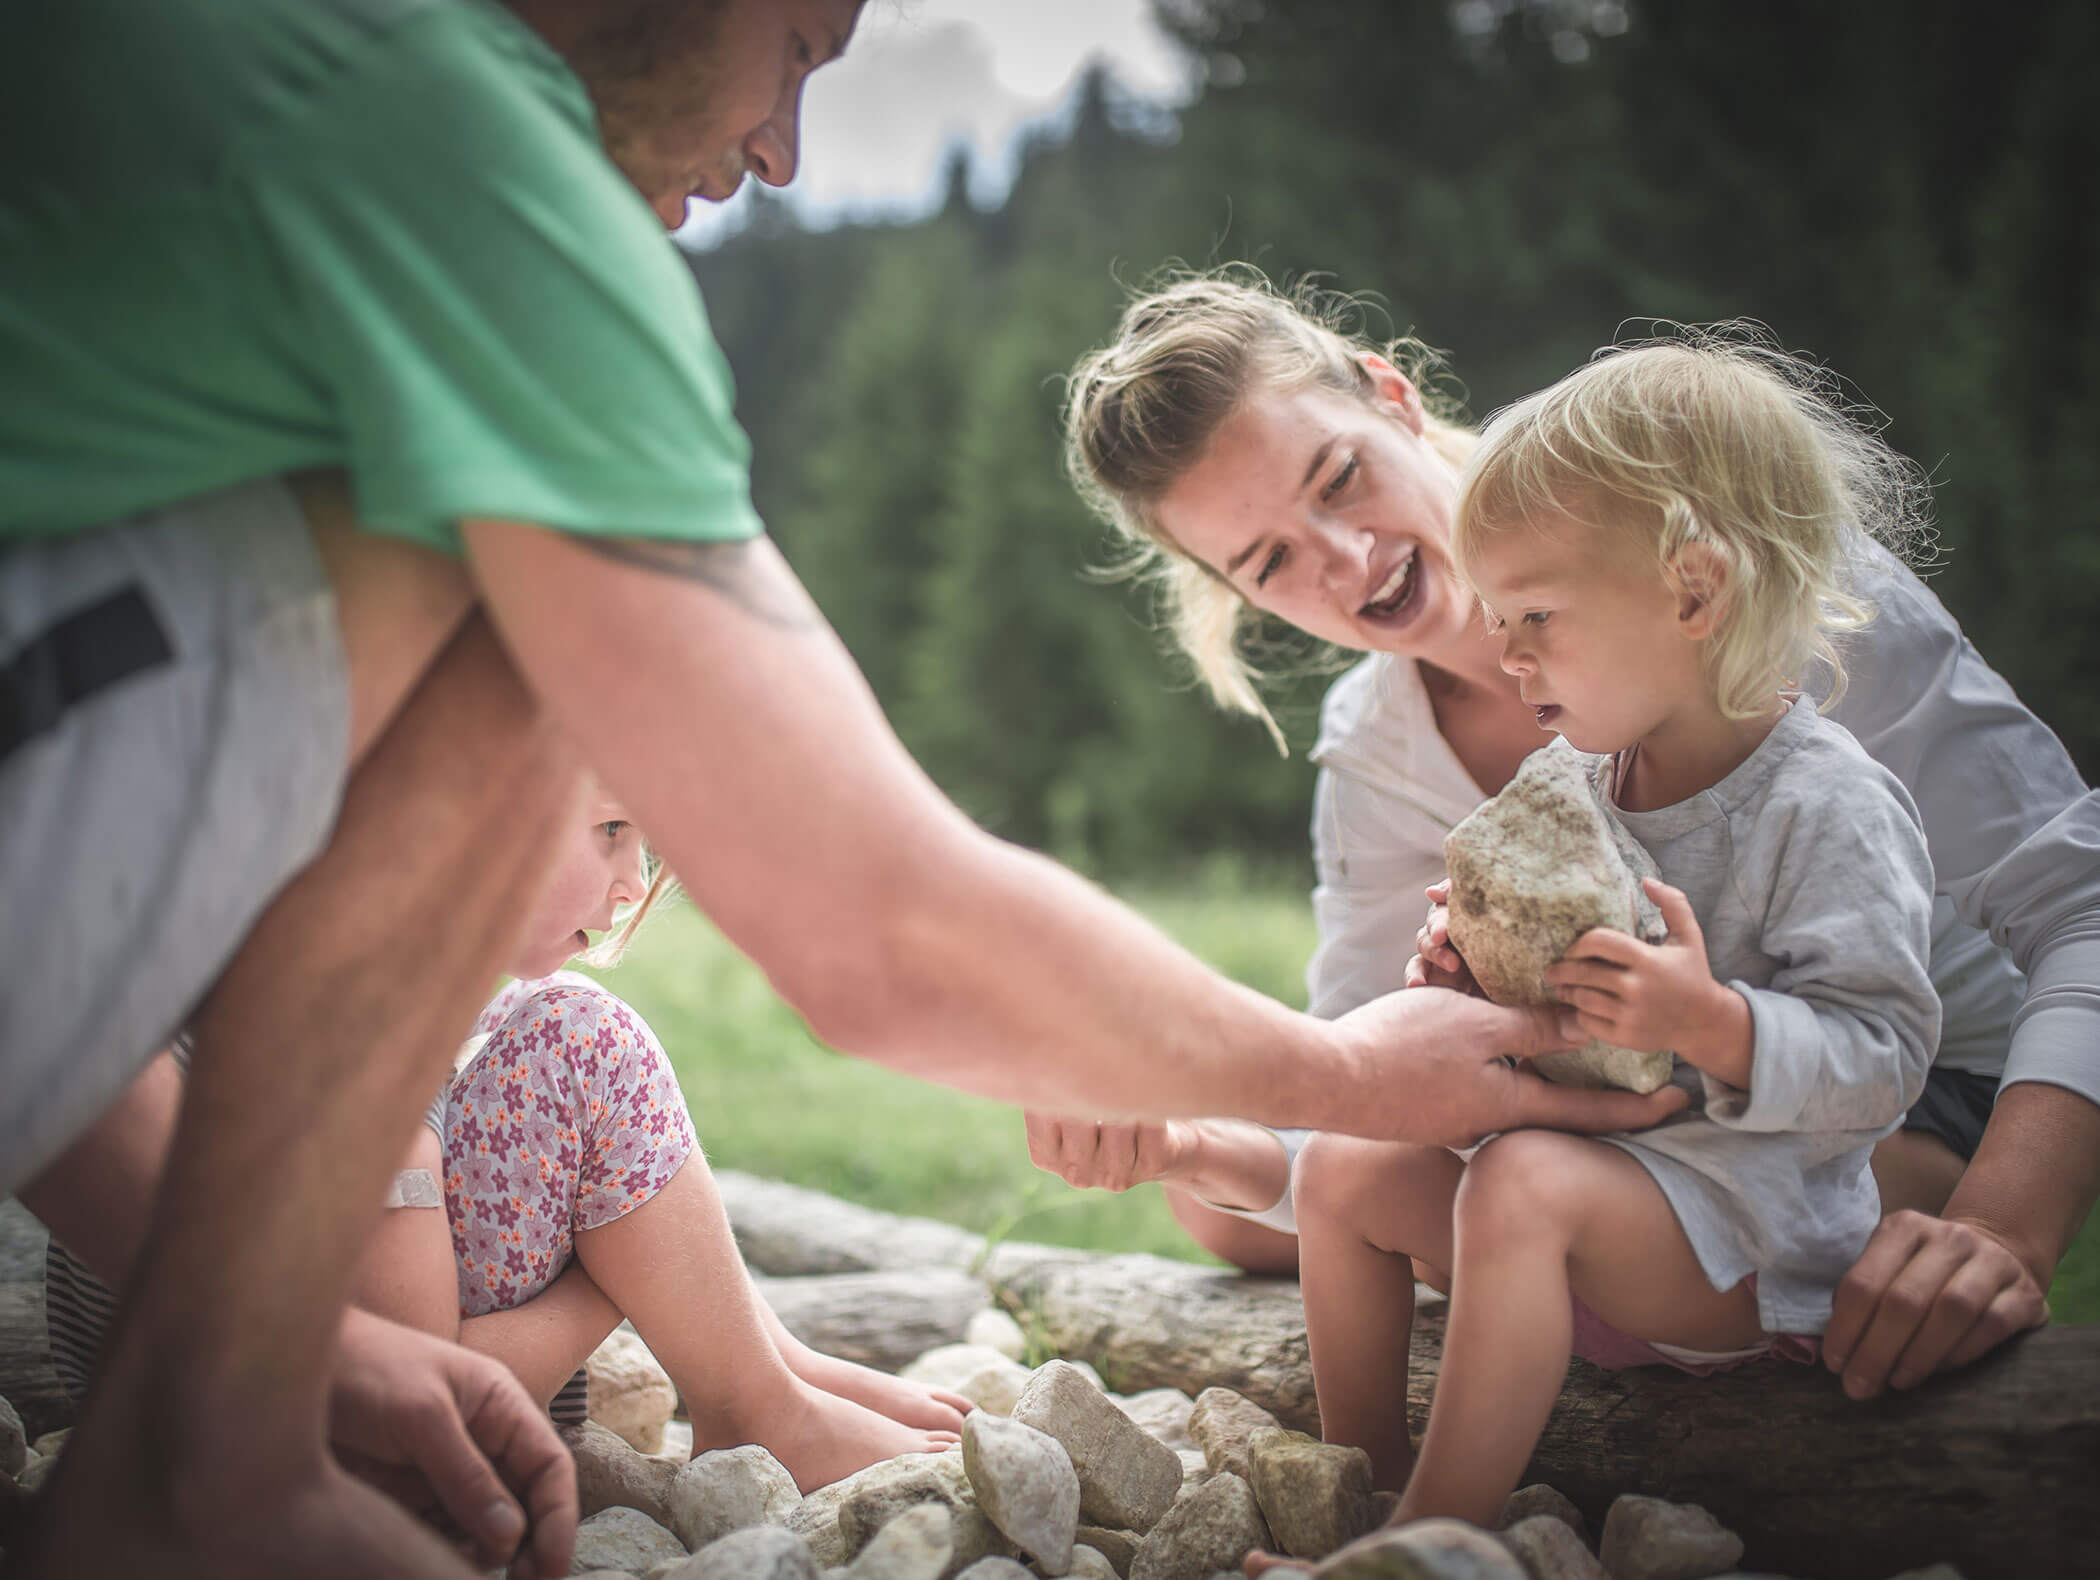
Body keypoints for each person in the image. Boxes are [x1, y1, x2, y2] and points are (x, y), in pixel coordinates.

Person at [0, 8, 1681, 1576]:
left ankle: (200, 1436)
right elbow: (877, 923)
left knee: (484, 613)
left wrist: (276, 1347)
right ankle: (208, 1444)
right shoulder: (471, 166)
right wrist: (1349, 1078)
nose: (782, 149)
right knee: (524, 637)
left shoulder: (243, 57)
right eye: (801, 45)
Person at [1049, 268, 2100, 1403]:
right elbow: (1364, 1087)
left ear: (1392, 396)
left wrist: (2006, 1223)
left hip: (1914, 1087)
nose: (1346, 561)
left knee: (1495, 1195)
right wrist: (1185, 1134)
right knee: (1219, 1205)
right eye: (1270, 562)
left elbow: (2080, 902)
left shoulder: (1739, 556)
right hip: (1651, 1123)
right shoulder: (1376, 746)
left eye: (1339, 477)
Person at [1277, 337, 1941, 1546]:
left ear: (1694, 592)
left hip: (1743, 1247)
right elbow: (1556, 1014)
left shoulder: (1824, 802)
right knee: (1344, 1164)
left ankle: (1427, 1541)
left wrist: (1714, 1023)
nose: (1508, 655)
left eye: (1536, 614)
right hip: (1575, 1221)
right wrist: (1471, 980)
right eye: (1500, 618)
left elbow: (1887, 1057)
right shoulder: (1576, 774)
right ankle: (1354, 1492)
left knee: (1524, 1182)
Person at [41, 788, 973, 1497]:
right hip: (272, 1433)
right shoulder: (369, 1022)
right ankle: (756, 1404)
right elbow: (412, 1397)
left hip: (155, 1375)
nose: (633, 883)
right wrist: (608, 1276)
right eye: (611, 829)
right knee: (581, 1039)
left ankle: (762, 1368)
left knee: (542, 1017)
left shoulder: (332, 934)